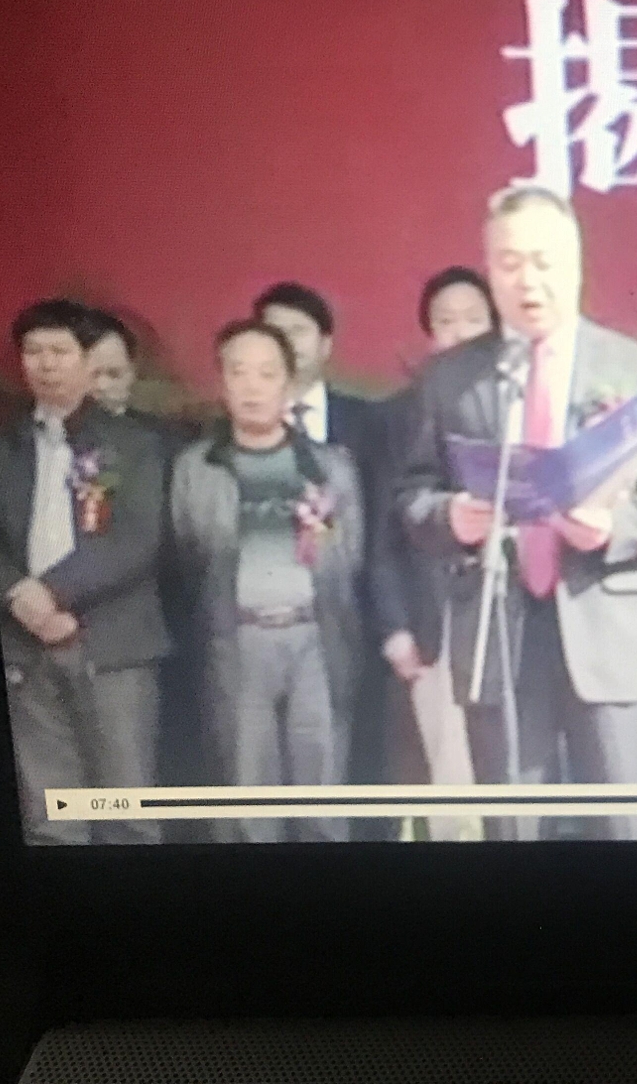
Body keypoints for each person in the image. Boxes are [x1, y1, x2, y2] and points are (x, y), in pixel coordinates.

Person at [393, 185, 637, 840]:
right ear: (489, 269)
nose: (527, 280)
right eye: (509, 264)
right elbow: (413, 492)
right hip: (499, 628)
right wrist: (451, 516)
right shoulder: (451, 376)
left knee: (628, 827)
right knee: (514, 827)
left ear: (577, 262)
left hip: (606, 624)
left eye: (542, 261)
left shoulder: (635, 366)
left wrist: (615, 527)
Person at [0, 299, 170, 843]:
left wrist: (52, 593)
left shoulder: (134, 444)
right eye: (33, 352)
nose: (45, 364)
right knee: (52, 817)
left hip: (112, 644)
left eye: (60, 352)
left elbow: (137, 539)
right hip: (24, 642)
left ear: (89, 362)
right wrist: (19, 594)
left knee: (127, 813)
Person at [169, 320, 365, 842]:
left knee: (322, 795)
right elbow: (188, 558)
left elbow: (349, 558)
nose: (252, 387)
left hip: (315, 638)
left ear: (289, 385)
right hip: (237, 639)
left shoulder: (330, 467)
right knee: (247, 798)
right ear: (221, 383)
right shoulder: (195, 468)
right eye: (239, 372)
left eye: (266, 373)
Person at [254, 281, 396, 807]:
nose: (286, 343)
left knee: (356, 767)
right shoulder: (229, 430)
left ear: (326, 343)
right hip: (262, 626)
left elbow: (385, 522)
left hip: (354, 618)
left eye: (298, 331)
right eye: (273, 332)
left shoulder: (371, 423)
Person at [374, 267, 497, 840]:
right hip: (436, 621)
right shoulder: (401, 414)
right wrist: (396, 625)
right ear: (429, 333)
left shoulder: (521, 400)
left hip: (517, 621)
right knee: (453, 789)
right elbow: (384, 529)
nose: (460, 332)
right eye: (446, 321)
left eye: (474, 319)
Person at [83, 307, 202, 797]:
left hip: (157, 624)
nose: (103, 387)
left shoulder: (168, 444)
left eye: (115, 374)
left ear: (133, 374)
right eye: (93, 374)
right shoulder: (28, 444)